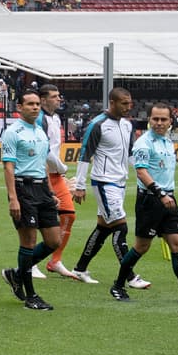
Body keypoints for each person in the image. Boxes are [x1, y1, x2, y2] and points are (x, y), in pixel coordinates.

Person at [109, 103, 178, 304]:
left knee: (177, 244)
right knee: (141, 246)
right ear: (149, 119)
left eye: (163, 119)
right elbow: (141, 171)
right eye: (155, 119)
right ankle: (118, 285)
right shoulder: (143, 143)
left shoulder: (167, 142)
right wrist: (161, 193)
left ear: (170, 122)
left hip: (169, 199)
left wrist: (167, 195)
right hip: (151, 200)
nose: (159, 123)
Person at [70, 87, 149, 289]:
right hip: (104, 182)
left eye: (129, 103)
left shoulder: (127, 125)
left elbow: (130, 153)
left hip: (120, 182)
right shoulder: (98, 124)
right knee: (120, 227)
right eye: (124, 103)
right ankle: (130, 276)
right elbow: (85, 154)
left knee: (104, 227)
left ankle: (80, 269)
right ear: (112, 103)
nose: (128, 107)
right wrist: (79, 185)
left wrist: (142, 173)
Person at [0, 90, 60, 311]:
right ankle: (30, 295)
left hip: (42, 188)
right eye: (30, 104)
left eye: (37, 104)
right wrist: (13, 198)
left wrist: (51, 192)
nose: (35, 107)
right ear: (20, 107)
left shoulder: (41, 131)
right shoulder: (12, 132)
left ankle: (16, 274)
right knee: (29, 241)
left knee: (54, 240)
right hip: (23, 189)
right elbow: (8, 166)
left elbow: (42, 163)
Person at [34, 84, 80, 280]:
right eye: (54, 96)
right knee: (39, 220)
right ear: (43, 100)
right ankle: (32, 263)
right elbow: (44, 150)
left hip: (55, 175)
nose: (58, 99)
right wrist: (62, 167)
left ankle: (55, 260)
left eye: (58, 96)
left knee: (69, 214)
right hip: (42, 174)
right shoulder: (40, 119)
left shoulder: (55, 117)